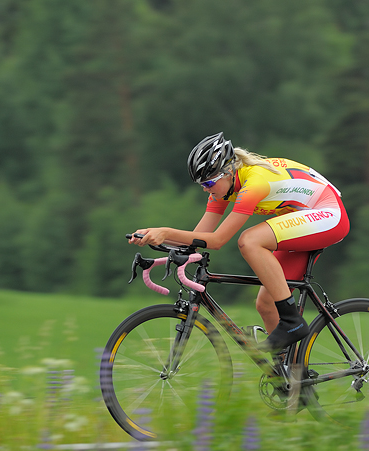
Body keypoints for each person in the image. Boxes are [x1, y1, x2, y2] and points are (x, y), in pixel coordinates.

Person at [129, 132, 349, 352]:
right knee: (266, 304)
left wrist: (165, 232)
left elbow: (217, 240)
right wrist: (157, 243)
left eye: (209, 182)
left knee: (250, 240)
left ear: (227, 171)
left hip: (328, 215)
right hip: (303, 218)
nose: (206, 189)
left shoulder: (254, 183)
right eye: (201, 184)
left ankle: (293, 322)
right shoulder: (222, 189)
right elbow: (197, 238)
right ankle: (291, 377)